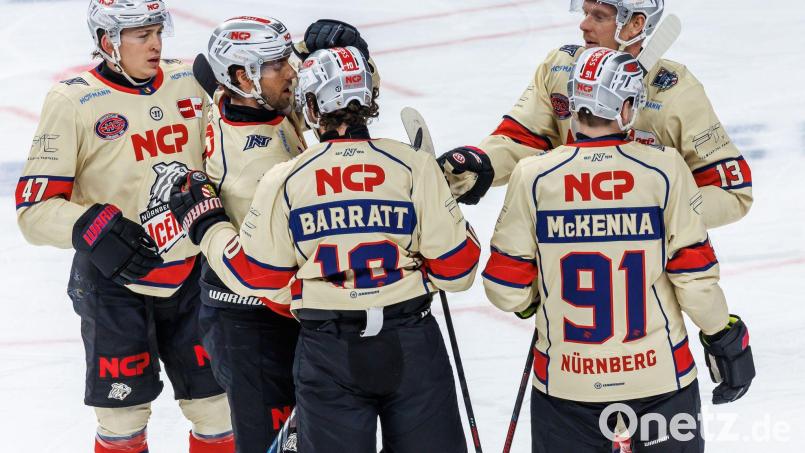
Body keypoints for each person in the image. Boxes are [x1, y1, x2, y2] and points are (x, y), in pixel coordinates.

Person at [169, 46, 479, 453]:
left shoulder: (285, 176)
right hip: (410, 341)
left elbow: (258, 277)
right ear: (369, 101)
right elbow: (457, 270)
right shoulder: (412, 166)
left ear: (311, 107)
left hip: (328, 349)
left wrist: (207, 226)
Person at [482, 47, 755, 452]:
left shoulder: (533, 175)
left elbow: (505, 288)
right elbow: (694, 279)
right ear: (626, 107)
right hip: (661, 380)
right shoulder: (663, 169)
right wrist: (724, 336)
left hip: (565, 382)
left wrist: (533, 302)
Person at [15, 1, 234, 451]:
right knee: (122, 420)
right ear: (106, 42)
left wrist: (310, 50)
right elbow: (33, 210)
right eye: (141, 35)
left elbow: (260, 96)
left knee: (218, 409)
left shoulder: (190, 80)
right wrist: (91, 226)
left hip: (194, 272)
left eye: (158, 31)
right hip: (113, 284)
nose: (156, 44)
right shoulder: (72, 100)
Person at [197, 16, 374, 453]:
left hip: (266, 313)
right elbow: (269, 275)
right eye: (278, 64)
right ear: (243, 76)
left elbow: (208, 68)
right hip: (257, 322)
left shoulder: (242, 99)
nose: (293, 71)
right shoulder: (255, 170)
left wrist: (348, 57)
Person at [439, 0, 752, 229]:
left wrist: (660, 213)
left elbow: (730, 192)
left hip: (647, 270)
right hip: (568, 245)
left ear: (635, 25)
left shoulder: (675, 91)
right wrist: (481, 162)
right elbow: (524, 138)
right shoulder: (561, 66)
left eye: (599, 16)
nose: (583, 24)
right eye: (585, 11)